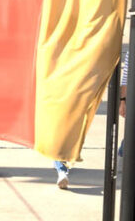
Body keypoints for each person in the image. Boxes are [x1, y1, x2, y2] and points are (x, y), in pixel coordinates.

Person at [54, 49, 128, 189]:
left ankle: (123, 152)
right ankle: (61, 168)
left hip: (86, 82)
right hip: (69, 86)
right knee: (65, 130)